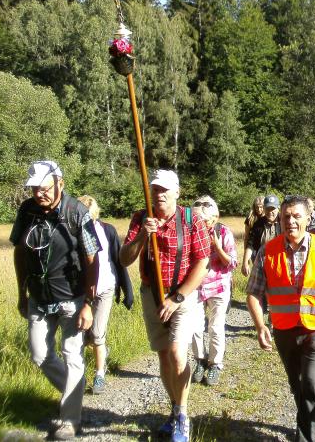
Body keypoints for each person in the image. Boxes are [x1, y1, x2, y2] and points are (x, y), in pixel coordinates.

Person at [245, 195, 315, 442]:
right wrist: (260, 325)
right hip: (284, 331)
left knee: (311, 383)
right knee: (297, 385)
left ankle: (307, 436)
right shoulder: (268, 251)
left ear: (308, 218)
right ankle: (304, 419)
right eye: (286, 217)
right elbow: (253, 293)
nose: (291, 221)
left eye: (297, 216)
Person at [10, 161, 100, 440]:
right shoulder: (27, 210)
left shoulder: (77, 212)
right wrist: (21, 292)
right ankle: (73, 393)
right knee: (39, 354)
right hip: (38, 295)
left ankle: (69, 421)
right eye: (35, 189)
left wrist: (88, 303)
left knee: (72, 354)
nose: (39, 194)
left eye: (45, 188)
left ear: (60, 182)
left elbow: (92, 258)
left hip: (71, 297)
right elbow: (20, 253)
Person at [120, 169, 211, 442]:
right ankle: (174, 408)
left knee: (176, 352)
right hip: (152, 295)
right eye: (155, 189)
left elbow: (202, 263)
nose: (159, 194)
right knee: (163, 355)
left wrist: (177, 297)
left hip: (183, 296)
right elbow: (124, 259)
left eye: (165, 190)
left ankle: (182, 415)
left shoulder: (190, 219)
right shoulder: (141, 218)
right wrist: (141, 237)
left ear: (177, 193)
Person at [76, 195, 134, 396]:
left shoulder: (107, 230)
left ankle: (99, 373)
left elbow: (119, 262)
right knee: (80, 336)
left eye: (89, 217)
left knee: (97, 335)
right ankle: (78, 375)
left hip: (105, 288)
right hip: (82, 291)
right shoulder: (73, 233)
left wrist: (127, 290)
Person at [190, 195, 237, 386]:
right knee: (195, 327)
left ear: (215, 218)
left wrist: (217, 246)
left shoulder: (223, 232)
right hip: (196, 286)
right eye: (197, 220)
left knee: (216, 327)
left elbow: (232, 263)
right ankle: (200, 360)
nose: (201, 225)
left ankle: (215, 363)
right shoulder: (190, 232)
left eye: (205, 221)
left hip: (219, 286)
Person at [242, 195, 281, 278]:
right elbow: (250, 244)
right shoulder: (258, 224)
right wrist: (245, 262)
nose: (270, 212)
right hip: (262, 264)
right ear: (264, 209)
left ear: (278, 208)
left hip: (282, 264)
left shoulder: (285, 222)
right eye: (267, 209)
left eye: (273, 209)